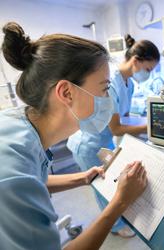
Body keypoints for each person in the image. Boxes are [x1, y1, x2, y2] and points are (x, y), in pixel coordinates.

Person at [0, 22, 147, 250]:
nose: (108, 97)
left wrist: (80, 178)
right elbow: (19, 181)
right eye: (104, 88)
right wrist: (120, 202)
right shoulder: (12, 173)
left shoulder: (19, 124)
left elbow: (34, 181)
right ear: (67, 92)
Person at [67, 34, 160, 237]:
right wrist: (151, 127)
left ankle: (118, 216)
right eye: (148, 69)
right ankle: (116, 227)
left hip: (104, 141)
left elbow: (123, 118)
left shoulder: (131, 84)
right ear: (136, 60)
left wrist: (144, 125)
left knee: (112, 183)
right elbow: (117, 128)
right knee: (103, 187)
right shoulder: (112, 82)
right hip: (89, 144)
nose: (148, 74)